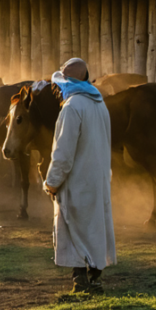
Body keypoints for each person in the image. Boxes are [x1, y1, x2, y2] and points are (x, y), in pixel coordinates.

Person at [42, 57, 116, 293]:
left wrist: (52, 183)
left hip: (76, 180)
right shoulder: (99, 105)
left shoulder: (72, 108)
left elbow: (62, 154)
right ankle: (94, 278)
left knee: (74, 227)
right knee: (93, 228)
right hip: (98, 179)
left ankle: (80, 281)